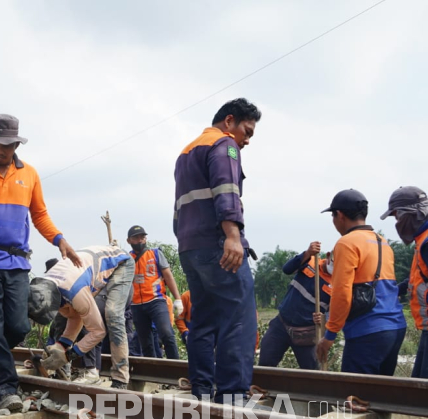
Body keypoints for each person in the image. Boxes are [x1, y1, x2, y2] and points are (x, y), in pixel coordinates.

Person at [0, 114, 82, 411]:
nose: (0, 150)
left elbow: (39, 215)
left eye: (7, 145)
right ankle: (6, 388)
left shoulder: (30, 174)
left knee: (18, 324)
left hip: (16, 262)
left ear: (16, 144)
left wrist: (59, 239)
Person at [173, 98, 261, 402]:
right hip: (218, 245)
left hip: (190, 247)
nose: (246, 141)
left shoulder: (186, 152)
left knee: (203, 320)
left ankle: (201, 391)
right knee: (238, 317)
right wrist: (232, 236)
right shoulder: (225, 146)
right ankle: (232, 396)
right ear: (229, 121)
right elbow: (227, 192)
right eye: (246, 131)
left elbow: (179, 209)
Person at [316, 190, 406, 375]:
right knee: (380, 396)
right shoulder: (382, 242)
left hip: (367, 331)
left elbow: (342, 293)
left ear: (339, 215)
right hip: (396, 328)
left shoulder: (346, 243)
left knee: (354, 396)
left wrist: (329, 335)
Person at [29, 246, 135, 388]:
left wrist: (68, 356)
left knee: (113, 314)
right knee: (81, 313)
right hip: (83, 271)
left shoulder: (74, 291)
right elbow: (75, 316)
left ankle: (121, 378)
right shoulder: (45, 286)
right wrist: (61, 346)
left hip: (120, 263)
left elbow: (98, 331)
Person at [258, 242, 332, 370]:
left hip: (305, 334)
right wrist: (307, 253)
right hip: (281, 324)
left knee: (312, 373)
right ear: (329, 256)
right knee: (265, 365)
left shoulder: (338, 284)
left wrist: (324, 318)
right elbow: (287, 269)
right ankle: (261, 388)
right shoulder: (311, 261)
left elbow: (335, 313)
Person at [380, 186, 428, 378]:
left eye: (397, 217)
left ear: (410, 215)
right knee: (419, 386)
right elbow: (419, 277)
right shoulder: (422, 241)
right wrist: (392, 290)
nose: (397, 223)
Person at [126, 225, 183, 359]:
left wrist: (177, 298)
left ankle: (175, 368)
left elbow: (168, 276)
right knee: (145, 342)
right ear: (129, 240)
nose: (139, 240)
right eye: (136, 238)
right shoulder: (127, 259)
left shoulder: (155, 254)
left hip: (156, 301)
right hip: (136, 305)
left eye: (142, 237)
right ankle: (153, 372)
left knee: (166, 334)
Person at [43, 257, 103, 382]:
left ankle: (88, 369)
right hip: (66, 308)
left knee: (85, 334)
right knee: (68, 335)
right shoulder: (57, 283)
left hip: (76, 305)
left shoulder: (70, 284)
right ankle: (68, 370)